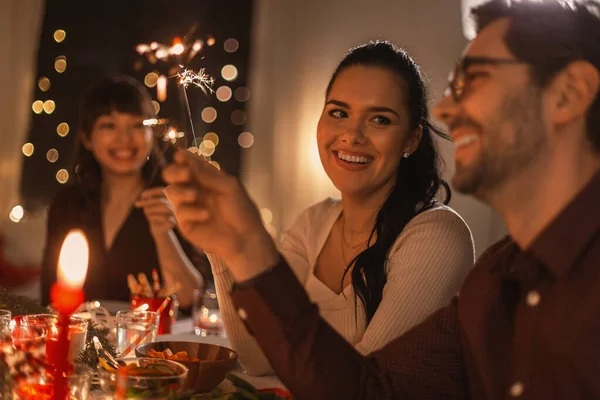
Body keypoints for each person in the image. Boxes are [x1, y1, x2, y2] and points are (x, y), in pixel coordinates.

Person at [165, 0, 600, 398]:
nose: (446, 109)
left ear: (569, 94)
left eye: (477, 80)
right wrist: (237, 248)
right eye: (338, 111)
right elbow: (367, 390)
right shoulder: (496, 278)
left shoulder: (454, 244)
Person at [209, 41, 474, 375]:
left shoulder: (436, 236)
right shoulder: (313, 223)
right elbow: (259, 360)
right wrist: (222, 245)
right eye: (339, 112)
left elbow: (364, 383)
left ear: (411, 139)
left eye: (380, 119)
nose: (351, 135)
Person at [41, 75, 207, 308]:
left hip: (149, 342)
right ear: (87, 138)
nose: (125, 139)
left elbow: (190, 299)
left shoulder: (174, 197)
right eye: (108, 125)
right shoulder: (67, 203)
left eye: (137, 125)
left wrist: (163, 233)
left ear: (152, 135)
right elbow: (49, 296)